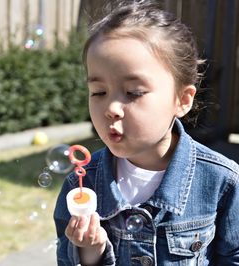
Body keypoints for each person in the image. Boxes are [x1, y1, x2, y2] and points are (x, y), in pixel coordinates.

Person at [53, 0, 239, 265]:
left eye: (133, 93)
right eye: (99, 92)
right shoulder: (81, 187)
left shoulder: (222, 182)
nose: (111, 109)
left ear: (182, 100)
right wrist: (90, 251)